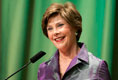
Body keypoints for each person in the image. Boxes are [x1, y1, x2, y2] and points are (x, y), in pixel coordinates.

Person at [38, 2, 111, 80]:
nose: (55, 32)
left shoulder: (97, 67)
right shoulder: (44, 69)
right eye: (50, 28)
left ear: (75, 27)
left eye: (60, 25)